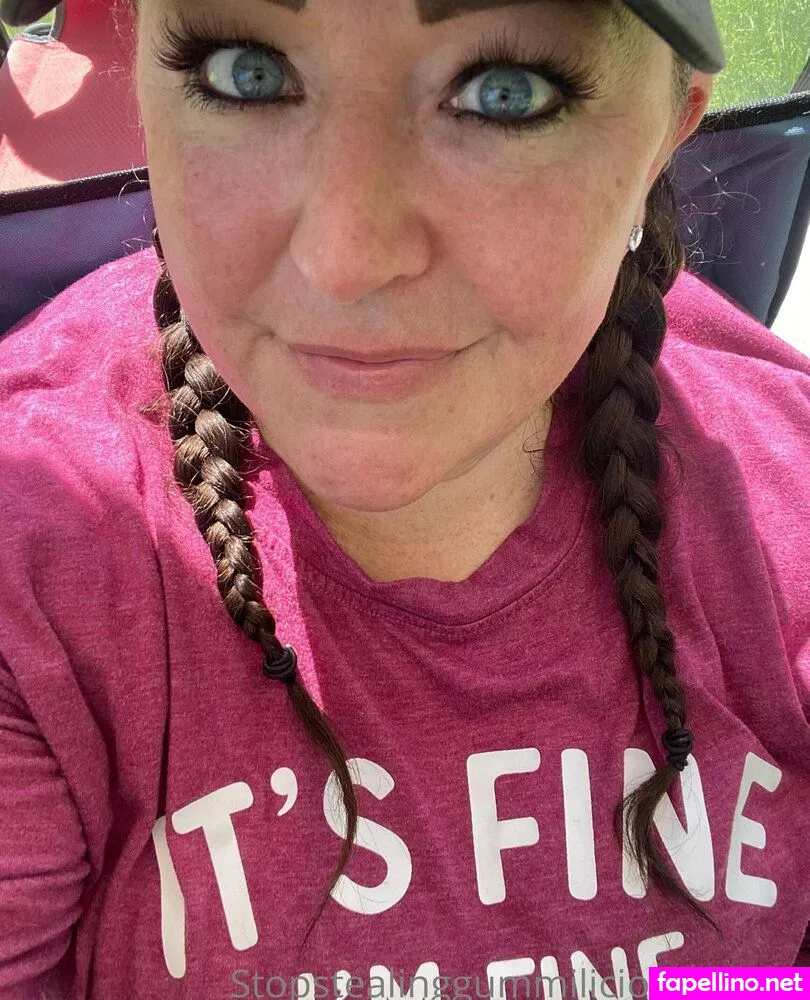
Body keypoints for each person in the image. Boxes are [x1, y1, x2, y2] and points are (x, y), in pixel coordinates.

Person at [0, 0, 808, 995]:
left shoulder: (786, 497)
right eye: (246, 71)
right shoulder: (33, 540)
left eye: (505, 93)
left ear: (664, 139)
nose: (346, 260)